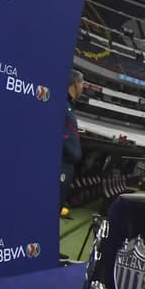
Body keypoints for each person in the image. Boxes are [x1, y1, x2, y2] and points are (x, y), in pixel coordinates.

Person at [61, 69, 84, 218]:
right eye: (82, 84)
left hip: (68, 166)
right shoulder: (62, 104)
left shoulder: (70, 106)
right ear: (76, 83)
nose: (83, 88)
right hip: (61, 165)